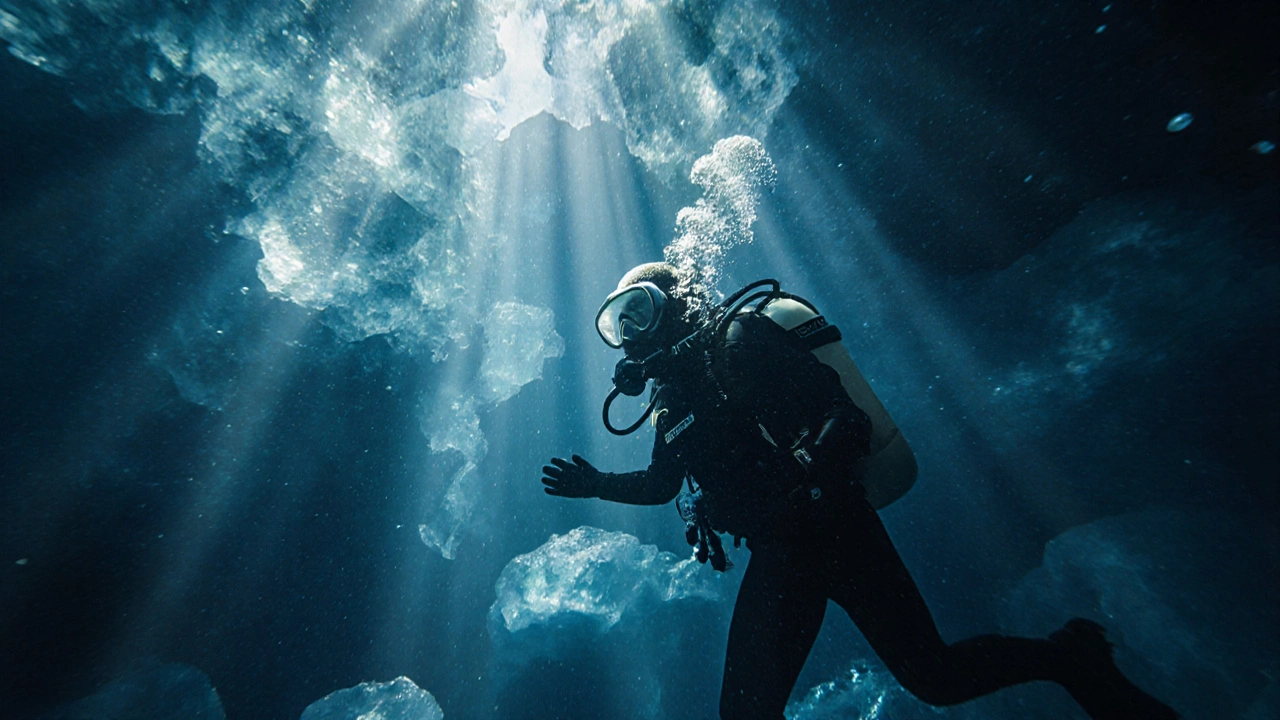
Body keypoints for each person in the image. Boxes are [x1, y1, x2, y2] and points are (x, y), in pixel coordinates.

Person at [542, 262, 1178, 720]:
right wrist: (597, 484)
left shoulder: (741, 342)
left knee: (934, 676)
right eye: (618, 323)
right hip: (779, 554)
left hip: (836, 527)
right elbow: (661, 487)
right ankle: (1068, 657)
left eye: (641, 310)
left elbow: (844, 417)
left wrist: (805, 482)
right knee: (745, 712)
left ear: (676, 302)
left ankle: (1069, 657)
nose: (631, 332)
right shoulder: (670, 402)